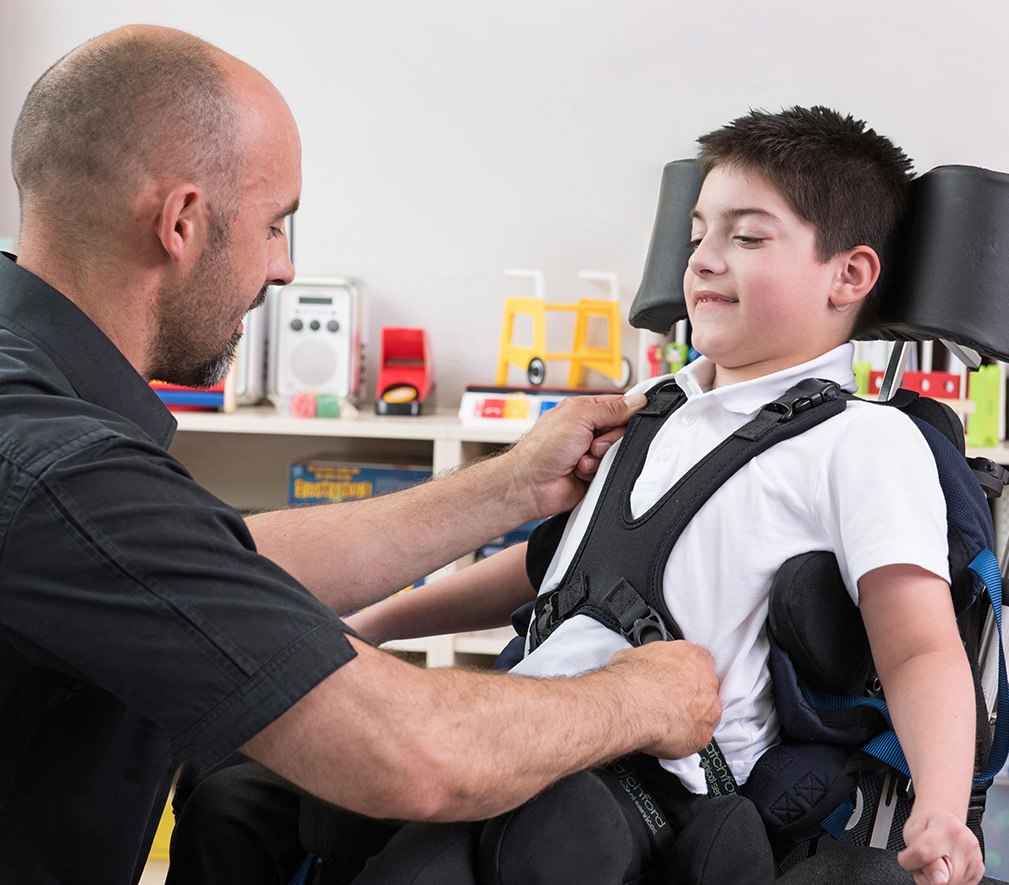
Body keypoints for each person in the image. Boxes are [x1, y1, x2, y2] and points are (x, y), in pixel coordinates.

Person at [0, 25, 723, 885]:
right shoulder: (59, 466)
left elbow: (189, 567)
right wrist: (641, 696)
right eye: (275, 226)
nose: (281, 269)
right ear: (182, 222)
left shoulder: (39, 412)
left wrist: (513, 484)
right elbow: (410, 753)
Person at [341, 106, 990, 885]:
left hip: (660, 778)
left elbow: (919, 647)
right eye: (695, 236)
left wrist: (941, 807)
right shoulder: (647, 406)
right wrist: (373, 622)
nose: (705, 261)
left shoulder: (864, 443)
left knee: (541, 841)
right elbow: (557, 570)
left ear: (847, 275)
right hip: (522, 728)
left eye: (746, 237)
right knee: (295, 806)